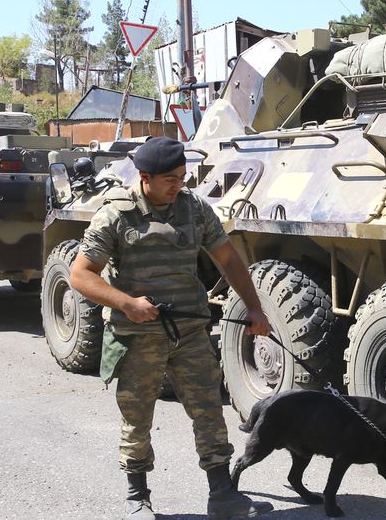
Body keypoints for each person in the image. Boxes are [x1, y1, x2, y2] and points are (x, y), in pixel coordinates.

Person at [70, 136, 272, 520]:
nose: (178, 184)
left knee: (209, 411)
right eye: (170, 179)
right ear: (145, 177)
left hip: (189, 331)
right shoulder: (115, 214)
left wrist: (254, 307)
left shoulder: (193, 208)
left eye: (182, 176)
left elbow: (229, 259)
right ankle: (137, 497)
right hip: (137, 337)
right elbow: (81, 275)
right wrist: (126, 303)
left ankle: (223, 495)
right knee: (137, 417)